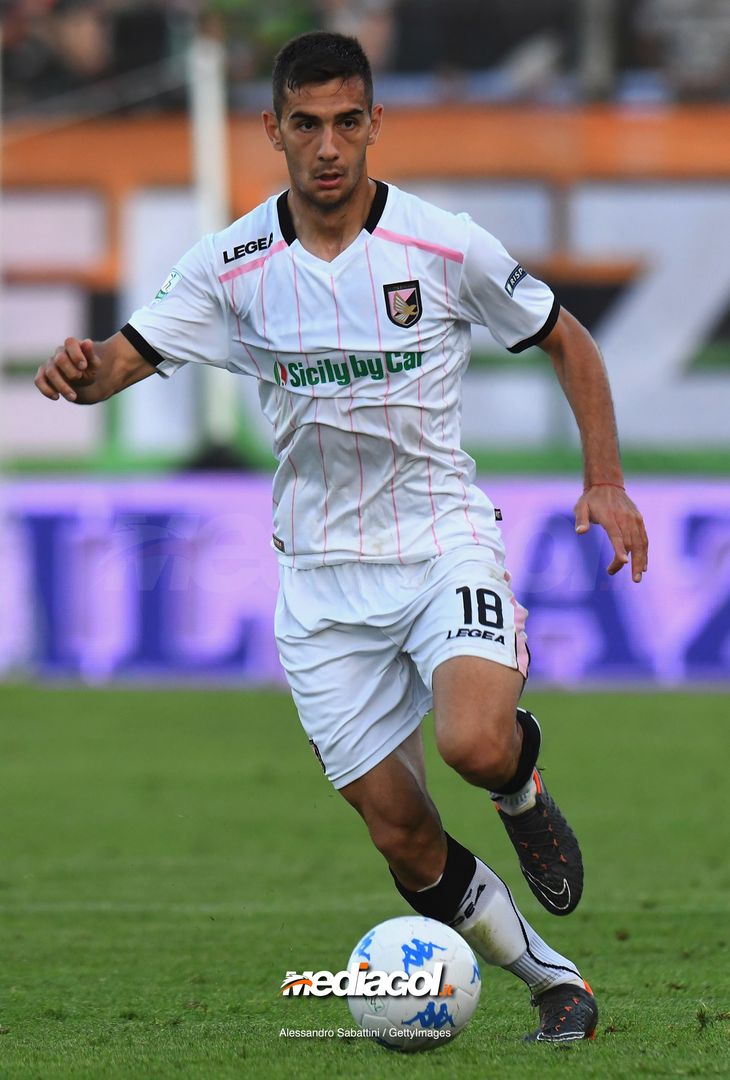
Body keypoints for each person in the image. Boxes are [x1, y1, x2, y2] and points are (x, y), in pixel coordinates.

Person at [35, 30, 648, 1043]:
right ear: (273, 130)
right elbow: (119, 360)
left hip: (441, 539)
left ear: (373, 125)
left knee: (473, 741)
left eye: (347, 123)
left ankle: (518, 778)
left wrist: (606, 481)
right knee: (403, 838)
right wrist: (75, 368)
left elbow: (564, 338)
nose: (328, 147)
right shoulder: (231, 265)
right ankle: (556, 985)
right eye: (307, 126)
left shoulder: (443, 245)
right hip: (320, 586)